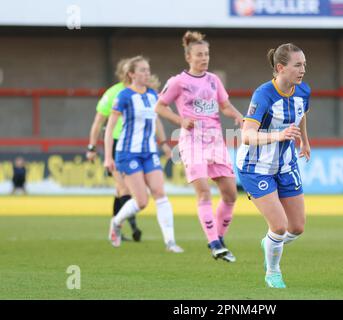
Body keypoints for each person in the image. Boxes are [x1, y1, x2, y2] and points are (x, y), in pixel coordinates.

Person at [155, 31, 243, 262]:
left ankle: (218, 238)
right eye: (199, 55)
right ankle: (215, 244)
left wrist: (238, 116)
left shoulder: (214, 80)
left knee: (230, 195)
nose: (204, 58)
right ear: (189, 57)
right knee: (203, 191)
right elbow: (160, 107)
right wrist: (180, 120)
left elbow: (224, 105)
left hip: (215, 140)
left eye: (206, 54)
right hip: (192, 141)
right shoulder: (178, 82)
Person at [236, 43, 311, 288]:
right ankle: (273, 271)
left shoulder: (303, 91)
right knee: (279, 226)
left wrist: (305, 142)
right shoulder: (263, 94)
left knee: (297, 227)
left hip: (286, 164)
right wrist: (278, 136)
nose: (303, 70)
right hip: (255, 166)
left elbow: (301, 114)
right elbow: (246, 135)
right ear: (280, 67)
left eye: (304, 65)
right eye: (297, 65)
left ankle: (271, 242)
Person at [104, 55, 183, 253]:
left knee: (160, 193)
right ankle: (116, 222)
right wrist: (108, 156)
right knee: (141, 202)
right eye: (142, 70)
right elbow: (109, 128)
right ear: (131, 74)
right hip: (128, 153)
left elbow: (156, 121)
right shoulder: (123, 96)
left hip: (149, 152)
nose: (147, 73)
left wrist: (164, 144)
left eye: (148, 69)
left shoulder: (153, 96)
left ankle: (170, 242)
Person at [86, 58, 141, 242]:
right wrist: (92, 147)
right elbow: (98, 122)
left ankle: (116, 228)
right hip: (116, 144)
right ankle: (134, 228)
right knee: (124, 187)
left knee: (121, 190)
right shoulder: (113, 93)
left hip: (135, 145)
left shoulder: (141, 92)